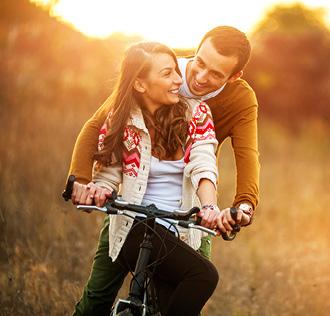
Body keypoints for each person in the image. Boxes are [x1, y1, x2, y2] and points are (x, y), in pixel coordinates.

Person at [69, 26, 260, 315]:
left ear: (233, 77)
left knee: (189, 288)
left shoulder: (220, 106)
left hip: (187, 209)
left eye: (216, 74)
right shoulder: (154, 72)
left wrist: (240, 204)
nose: (198, 77)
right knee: (96, 299)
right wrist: (84, 183)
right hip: (133, 208)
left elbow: (236, 157)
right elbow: (105, 131)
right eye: (199, 62)